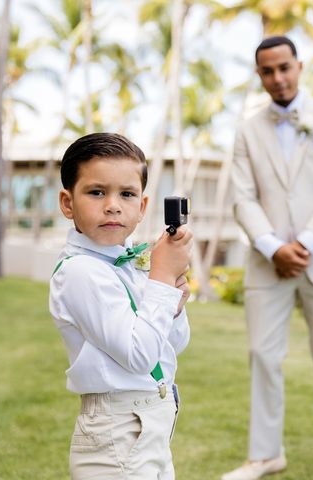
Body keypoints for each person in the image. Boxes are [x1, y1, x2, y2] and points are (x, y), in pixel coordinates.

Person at [222, 36, 313, 480]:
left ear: (299, 67)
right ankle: (265, 455)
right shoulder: (246, 131)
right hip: (267, 263)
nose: (278, 78)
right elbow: (242, 198)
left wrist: (304, 243)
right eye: (268, 71)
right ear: (259, 75)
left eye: (284, 68)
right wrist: (272, 247)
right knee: (262, 356)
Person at [49, 132, 193, 479]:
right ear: (68, 203)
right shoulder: (81, 272)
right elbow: (138, 355)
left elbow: (174, 344)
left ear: (142, 207)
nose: (113, 204)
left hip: (152, 423)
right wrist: (160, 278)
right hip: (116, 431)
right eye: (97, 192)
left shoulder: (128, 264)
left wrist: (171, 303)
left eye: (126, 194)